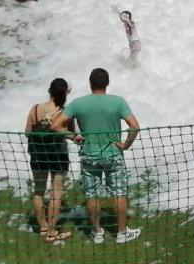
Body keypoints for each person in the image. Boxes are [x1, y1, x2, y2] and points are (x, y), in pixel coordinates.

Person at [53, 67, 142, 244]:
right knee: (119, 194)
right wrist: (126, 145)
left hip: (89, 155)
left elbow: (55, 125)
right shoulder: (118, 102)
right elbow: (135, 126)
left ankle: (97, 232)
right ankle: (122, 233)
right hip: (113, 155)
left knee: (92, 195)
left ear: (90, 83)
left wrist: (73, 137)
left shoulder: (78, 103)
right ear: (107, 83)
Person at [26, 77, 74, 244]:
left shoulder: (36, 109)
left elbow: (28, 132)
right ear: (66, 93)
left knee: (39, 191)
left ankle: (43, 227)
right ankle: (52, 231)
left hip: (38, 154)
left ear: (49, 91)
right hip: (58, 155)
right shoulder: (66, 112)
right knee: (56, 193)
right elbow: (71, 133)